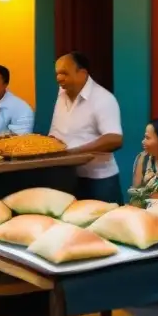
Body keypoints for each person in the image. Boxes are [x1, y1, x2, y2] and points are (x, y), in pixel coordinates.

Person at [49, 51, 124, 203]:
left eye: (64, 73)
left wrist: (74, 153)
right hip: (68, 177)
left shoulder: (103, 99)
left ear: (82, 73)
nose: (58, 78)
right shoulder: (61, 95)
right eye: (57, 73)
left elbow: (114, 139)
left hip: (99, 181)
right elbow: (57, 132)